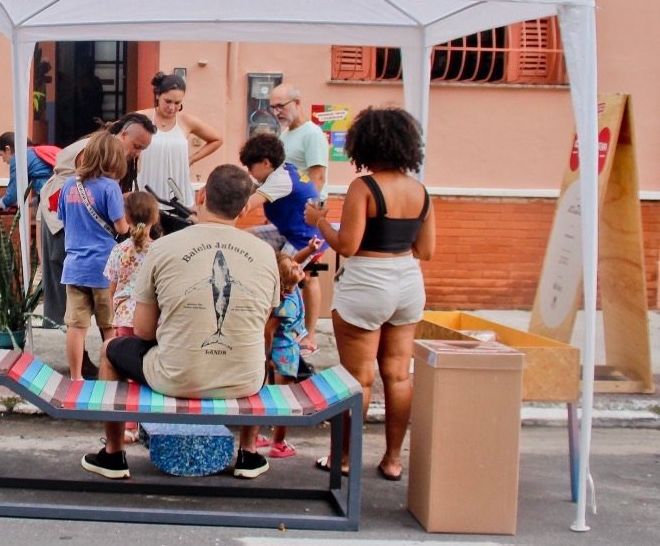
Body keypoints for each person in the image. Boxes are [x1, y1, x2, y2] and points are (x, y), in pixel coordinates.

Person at [81, 165, 279, 481]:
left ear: (201, 196)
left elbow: (143, 331)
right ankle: (249, 453)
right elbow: (262, 322)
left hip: (173, 377)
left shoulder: (163, 248)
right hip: (245, 379)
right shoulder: (266, 253)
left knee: (109, 351)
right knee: (255, 348)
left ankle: (114, 454)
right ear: (244, 208)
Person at [304, 106, 435, 482]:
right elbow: (426, 251)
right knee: (397, 375)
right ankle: (393, 459)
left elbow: (347, 244)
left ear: (366, 144)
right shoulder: (420, 191)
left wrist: (319, 222)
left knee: (358, 378)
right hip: (408, 282)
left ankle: (345, 458)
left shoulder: (364, 187)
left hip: (366, 282)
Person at [37, 113, 155, 329]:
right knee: (87, 308)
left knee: (80, 311)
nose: (137, 152)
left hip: (80, 232)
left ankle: (84, 355)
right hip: (72, 230)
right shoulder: (94, 152)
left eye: (142, 149)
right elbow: (94, 194)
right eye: (136, 145)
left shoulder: (115, 157)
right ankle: (91, 356)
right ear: (123, 134)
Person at [58, 132, 129, 380]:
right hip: (104, 268)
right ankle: (111, 378)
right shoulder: (110, 188)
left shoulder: (68, 185)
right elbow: (121, 228)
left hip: (74, 267)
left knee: (76, 327)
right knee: (109, 327)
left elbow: (63, 220)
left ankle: (76, 377)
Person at [269, 83, 330, 347]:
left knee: (308, 274)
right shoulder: (285, 134)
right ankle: (290, 327)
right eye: (273, 107)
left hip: (307, 217)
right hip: (287, 217)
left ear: (297, 103)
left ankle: (310, 334)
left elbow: (318, 177)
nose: (277, 111)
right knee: (290, 271)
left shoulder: (312, 134)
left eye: (281, 106)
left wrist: (311, 218)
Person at [105, 191, 160, 444]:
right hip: (152, 318)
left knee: (124, 371)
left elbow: (112, 288)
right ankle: (145, 421)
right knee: (146, 370)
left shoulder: (119, 251)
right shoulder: (160, 250)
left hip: (125, 316)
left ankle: (126, 425)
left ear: (126, 216)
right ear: (155, 217)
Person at [260, 237, 323, 459]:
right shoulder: (285, 302)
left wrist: (309, 249)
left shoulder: (292, 285)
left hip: (284, 351)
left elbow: (294, 261)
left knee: (271, 395)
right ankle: (278, 442)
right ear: (284, 279)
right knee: (284, 399)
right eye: (294, 268)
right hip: (283, 354)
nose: (298, 266)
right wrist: (266, 355)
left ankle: (259, 435)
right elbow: (268, 329)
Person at [137, 71, 223, 208]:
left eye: (177, 103)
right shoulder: (141, 117)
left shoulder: (186, 121)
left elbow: (217, 139)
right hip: (147, 189)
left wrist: (192, 159)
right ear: (158, 95)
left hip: (178, 193)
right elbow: (115, 136)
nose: (172, 108)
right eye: (168, 101)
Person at [239, 133, 325, 257]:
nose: (249, 172)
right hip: (291, 231)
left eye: (250, 167)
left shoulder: (279, 179)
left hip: (304, 239)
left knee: (281, 272)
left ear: (265, 163)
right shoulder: (286, 169)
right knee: (246, 237)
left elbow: (245, 206)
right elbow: (249, 192)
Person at [0, 132, 56, 211]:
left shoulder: (19, 157)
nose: (3, 160)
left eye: (1, 155)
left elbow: (12, 195)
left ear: (8, 149)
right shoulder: (33, 154)